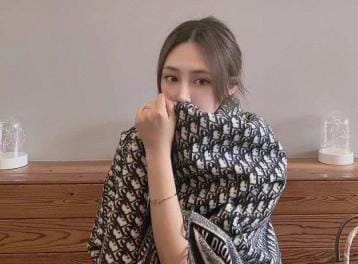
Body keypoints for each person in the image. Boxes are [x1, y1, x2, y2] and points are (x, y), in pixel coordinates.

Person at [87, 16, 288, 264]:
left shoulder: (258, 150)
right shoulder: (137, 143)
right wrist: (153, 145)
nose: (182, 96)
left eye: (201, 81)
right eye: (171, 78)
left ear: (230, 86)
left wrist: (157, 151)